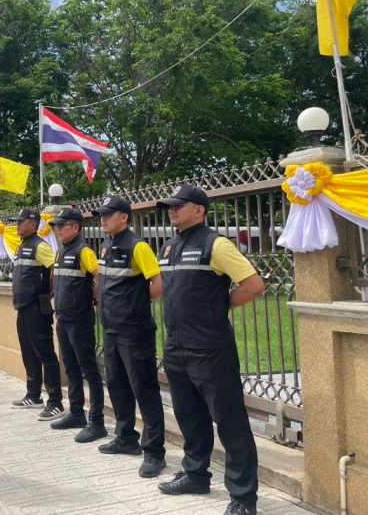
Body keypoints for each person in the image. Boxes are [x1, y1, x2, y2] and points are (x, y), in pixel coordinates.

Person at [155, 185, 265, 515]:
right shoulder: (170, 246)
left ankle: (244, 497)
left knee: (230, 422)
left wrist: (220, 308)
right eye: (170, 207)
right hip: (176, 347)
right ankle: (195, 474)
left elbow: (254, 284)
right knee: (190, 417)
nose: (172, 211)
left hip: (210, 347)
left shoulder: (216, 244)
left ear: (199, 210)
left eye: (179, 206)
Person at [91, 196, 167, 478]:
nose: (103, 219)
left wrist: (137, 302)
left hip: (134, 331)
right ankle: (125, 438)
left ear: (124, 217)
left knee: (144, 390)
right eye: (101, 215)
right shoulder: (106, 245)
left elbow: (159, 284)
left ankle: (154, 452)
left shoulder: (138, 246)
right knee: (118, 386)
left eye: (108, 215)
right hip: (111, 329)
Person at [48, 207, 108, 443]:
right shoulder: (61, 251)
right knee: (71, 368)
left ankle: (97, 421)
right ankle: (76, 413)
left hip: (79, 320)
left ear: (76, 227)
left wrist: (89, 296)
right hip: (62, 319)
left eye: (63, 226)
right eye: (57, 226)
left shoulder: (84, 251)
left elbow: (100, 277)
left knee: (89, 371)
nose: (58, 230)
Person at [9, 208, 65, 421]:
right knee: (28, 353)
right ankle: (33, 395)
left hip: (36, 308)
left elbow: (55, 269)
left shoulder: (40, 246)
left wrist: (47, 289)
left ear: (33, 224)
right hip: (22, 307)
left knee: (45, 354)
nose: (17, 225)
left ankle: (55, 402)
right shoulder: (22, 246)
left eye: (21, 222)